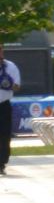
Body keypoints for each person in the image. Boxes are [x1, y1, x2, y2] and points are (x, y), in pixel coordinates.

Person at [0, 41, 17, 176]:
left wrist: (8, 84)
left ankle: (2, 162)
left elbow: (17, 86)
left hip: (3, 104)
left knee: (4, 134)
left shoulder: (10, 66)